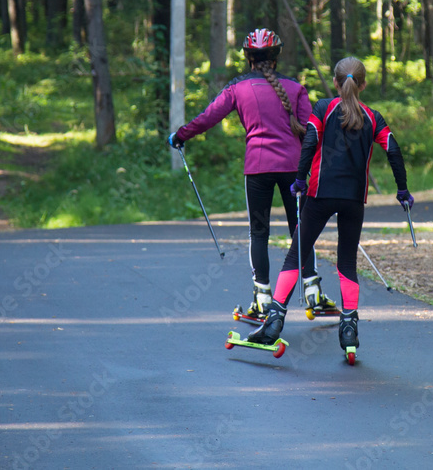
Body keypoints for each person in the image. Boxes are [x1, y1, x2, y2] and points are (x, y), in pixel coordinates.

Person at [168, 29, 338, 321]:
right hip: (294, 169)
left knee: (259, 233)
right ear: (276, 57)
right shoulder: (295, 87)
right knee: (302, 229)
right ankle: (313, 293)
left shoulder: (237, 87)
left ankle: (262, 300)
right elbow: (312, 130)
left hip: (257, 169)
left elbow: (209, 117)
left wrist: (181, 135)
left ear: (248, 57)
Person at [247, 56, 412, 356]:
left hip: (320, 195)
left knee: (296, 254)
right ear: (363, 85)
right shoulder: (373, 117)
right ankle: (349, 328)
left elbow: (309, 143)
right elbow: (393, 149)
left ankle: (273, 322)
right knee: (346, 262)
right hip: (353, 200)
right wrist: (402, 189)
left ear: (336, 82)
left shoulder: (323, 108)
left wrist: (299, 180)